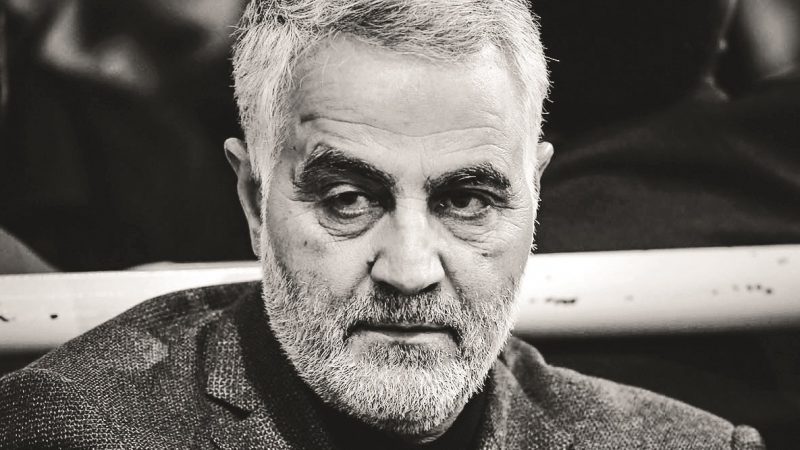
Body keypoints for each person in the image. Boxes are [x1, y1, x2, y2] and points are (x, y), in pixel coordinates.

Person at [0, 0, 765, 448]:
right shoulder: (78, 429)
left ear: (535, 196)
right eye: (347, 200)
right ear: (253, 201)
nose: (410, 270)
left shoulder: (689, 445)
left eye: (468, 201)